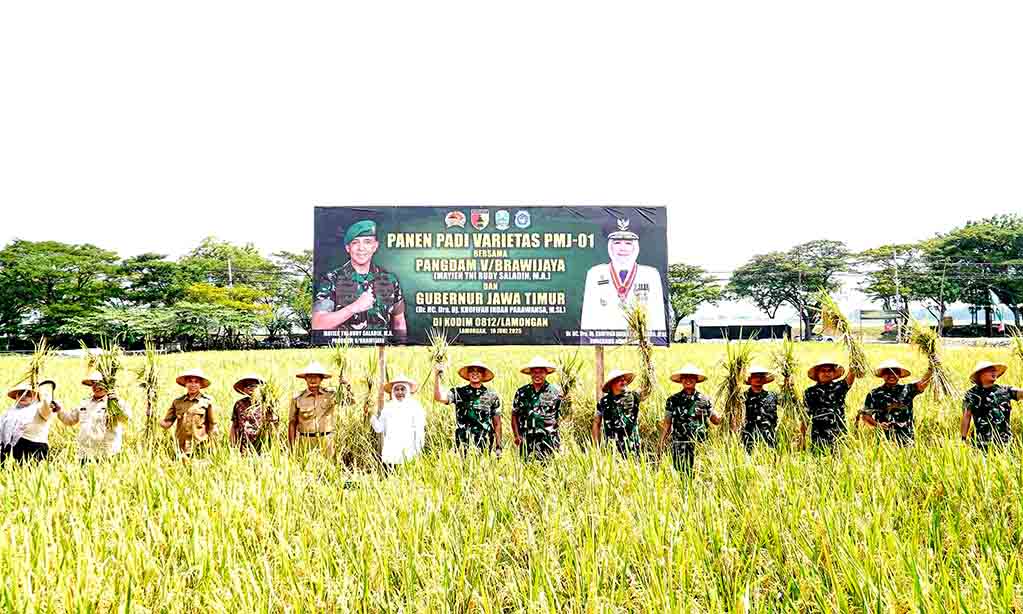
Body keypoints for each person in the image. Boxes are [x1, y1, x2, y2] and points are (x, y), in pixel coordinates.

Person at [312, 219, 407, 339]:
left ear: (375, 246)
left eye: (367, 242)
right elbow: (318, 323)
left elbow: (399, 322)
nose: (361, 248)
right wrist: (354, 307)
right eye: (355, 243)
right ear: (348, 248)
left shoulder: (390, 280)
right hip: (346, 354)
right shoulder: (332, 279)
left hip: (381, 354)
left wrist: (400, 349)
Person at [580, 216, 667, 334]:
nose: (622, 248)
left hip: (639, 341)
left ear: (636, 246)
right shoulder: (595, 274)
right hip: (604, 340)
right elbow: (588, 318)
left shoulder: (651, 275)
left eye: (628, 243)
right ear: (610, 246)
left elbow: (658, 317)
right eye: (617, 242)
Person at [659, 364, 721, 474]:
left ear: (696, 380)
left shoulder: (704, 400)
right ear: (681, 380)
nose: (688, 380)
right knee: (680, 474)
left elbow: (716, 420)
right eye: (685, 377)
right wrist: (661, 444)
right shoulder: (673, 400)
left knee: (700, 474)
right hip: (679, 444)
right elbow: (667, 424)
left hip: (700, 445)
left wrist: (733, 410)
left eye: (691, 377)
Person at [58, 370, 131, 461]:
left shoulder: (115, 403)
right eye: (93, 383)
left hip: (107, 454)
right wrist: (59, 410)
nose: (96, 386)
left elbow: (126, 419)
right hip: (85, 454)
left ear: (107, 384)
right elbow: (70, 420)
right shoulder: (84, 403)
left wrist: (117, 404)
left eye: (100, 383)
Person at [433, 361, 502, 453]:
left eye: (479, 371)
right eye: (472, 371)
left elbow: (497, 424)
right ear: (468, 374)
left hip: (485, 444)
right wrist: (437, 375)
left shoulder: (492, 396)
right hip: (463, 443)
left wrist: (498, 446)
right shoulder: (459, 393)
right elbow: (439, 397)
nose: (475, 373)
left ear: (483, 374)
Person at [859, 359, 932, 445]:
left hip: (907, 437)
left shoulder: (907, 389)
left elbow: (923, 383)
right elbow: (866, 416)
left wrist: (931, 368)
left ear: (899, 375)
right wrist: (878, 425)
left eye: (895, 372)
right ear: (882, 375)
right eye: (888, 372)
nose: (892, 375)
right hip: (884, 440)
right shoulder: (874, 394)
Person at [367, 374, 426, 469]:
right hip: (391, 454)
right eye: (396, 389)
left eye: (402, 389)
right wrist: (371, 415)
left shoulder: (415, 407)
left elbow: (420, 432)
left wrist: (418, 451)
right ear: (393, 392)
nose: (399, 392)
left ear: (407, 390)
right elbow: (379, 428)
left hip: (409, 454)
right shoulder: (388, 407)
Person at [961, 360, 1022, 450]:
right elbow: (966, 416)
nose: (994, 372)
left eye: (994, 370)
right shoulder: (971, 394)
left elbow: (1021, 393)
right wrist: (963, 438)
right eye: (990, 370)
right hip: (981, 444)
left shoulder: (1005, 390)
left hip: (1005, 443)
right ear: (980, 374)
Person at [511, 356, 564, 460]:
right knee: (527, 471)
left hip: (549, 441)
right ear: (530, 373)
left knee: (550, 471)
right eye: (534, 372)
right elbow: (514, 415)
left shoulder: (556, 392)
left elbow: (561, 416)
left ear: (546, 373)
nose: (537, 375)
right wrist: (517, 436)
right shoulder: (521, 392)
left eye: (540, 372)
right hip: (527, 441)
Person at [593, 369, 651, 456]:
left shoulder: (634, 396)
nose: (623, 381)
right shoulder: (603, 402)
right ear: (611, 384)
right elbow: (596, 423)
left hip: (633, 450)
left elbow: (646, 391)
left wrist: (649, 370)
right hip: (612, 452)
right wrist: (596, 447)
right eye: (619, 379)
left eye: (624, 379)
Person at [801, 358, 857, 449]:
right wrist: (802, 438)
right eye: (823, 371)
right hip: (819, 436)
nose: (827, 373)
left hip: (839, 434)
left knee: (840, 460)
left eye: (829, 371)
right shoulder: (810, 392)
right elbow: (805, 416)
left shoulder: (839, 387)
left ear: (834, 373)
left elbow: (851, 377)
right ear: (817, 374)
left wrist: (855, 359)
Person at [0, 383, 62, 462]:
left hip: (34, 448)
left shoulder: (39, 408)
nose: (23, 396)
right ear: (16, 397)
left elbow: (47, 408)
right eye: (20, 394)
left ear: (35, 396)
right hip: (14, 448)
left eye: (28, 394)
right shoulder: (11, 413)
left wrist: (47, 400)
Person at [160, 368, 216, 456]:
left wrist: (213, 447)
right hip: (181, 447)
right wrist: (152, 415)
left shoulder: (207, 402)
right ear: (185, 384)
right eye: (190, 381)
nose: (193, 384)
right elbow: (167, 424)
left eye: (196, 382)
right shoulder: (177, 402)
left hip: (200, 447)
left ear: (200, 384)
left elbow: (212, 426)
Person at [289, 362, 337, 456]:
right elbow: (292, 423)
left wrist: (346, 385)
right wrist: (292, 447)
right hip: (306, 441)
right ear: (305, 379)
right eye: (309, 376)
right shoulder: (298, 398)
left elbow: (350, 402)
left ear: (321, 379)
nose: (312, 379)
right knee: (306, 469)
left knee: (329, 468)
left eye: (316, 377)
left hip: (326, 440)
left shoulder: (331, 395)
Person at [230, 374, 277, 453]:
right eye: (247, 386)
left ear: (261, 388)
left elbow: (274, 424)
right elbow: (234, 426)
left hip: (263, 446)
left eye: (253, 385)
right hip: (244, 445)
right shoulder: (239, 404)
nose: (249, 388)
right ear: (243, 390)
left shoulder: (267, 404)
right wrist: (232, 444)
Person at [741, 365, 782, 451]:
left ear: (764, 379)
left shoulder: (772, 396)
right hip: (749, 438)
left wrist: (788, 387)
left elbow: (790, 403)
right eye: (755, 376)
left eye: (761, 376)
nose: (758, 379)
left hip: (769, 438)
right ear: (750, 379)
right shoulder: (742, 397)